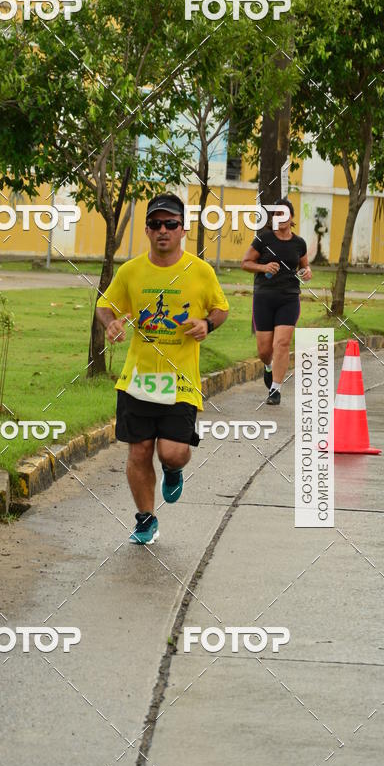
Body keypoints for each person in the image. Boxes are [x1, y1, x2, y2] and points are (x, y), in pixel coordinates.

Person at [96, 192, 229, 545]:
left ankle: (173, 470)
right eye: (156, 224)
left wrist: (207, 324)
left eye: (170, 224)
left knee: (171, 451)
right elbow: (105, 305)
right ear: (147, 230)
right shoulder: (131, 271)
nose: (163, 230)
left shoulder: (200, 272)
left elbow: (221, 308)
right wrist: (110, 323)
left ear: (183, 229)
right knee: (139, 450)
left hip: (180, 381)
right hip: (138, 378)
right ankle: (145, 519)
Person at [241, 198, 312, 405]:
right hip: (264, 298)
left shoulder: (299, 243)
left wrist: (306, 273)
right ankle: (268, 366)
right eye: (276, 214)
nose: (279, 218)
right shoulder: (263, 240)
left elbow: (304, 267)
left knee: (282, 343)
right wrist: (263, 268)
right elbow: (245, 263)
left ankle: (275, 389)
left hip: (289, 298)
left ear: (292, 217)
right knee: (264, 350)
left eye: (283, 214)